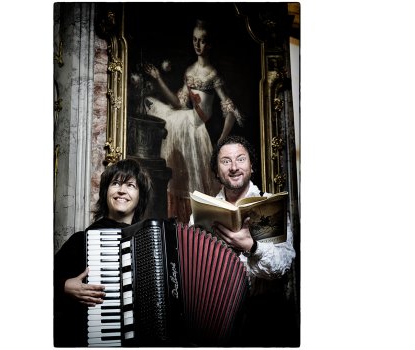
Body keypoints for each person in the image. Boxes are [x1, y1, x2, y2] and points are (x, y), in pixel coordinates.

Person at [192, 135, 297, 346]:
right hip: (216, 314)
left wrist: (252, 247)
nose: (233, 167)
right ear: (216, 170)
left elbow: (283, 265)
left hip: (265, 317)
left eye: (240, 159)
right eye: (225, 161)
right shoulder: (200, 213)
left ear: (251, 166)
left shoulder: (271, 206)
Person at [144, 19, 243, 224]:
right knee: (181, 182)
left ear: (211, 44)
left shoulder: (213, 74)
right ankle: (180, 231)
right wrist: (158, 78)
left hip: (197, 131)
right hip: (183, 127)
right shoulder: (189, 71)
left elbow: (230, 110)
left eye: (203, 41)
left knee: (198, 186)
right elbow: (178, 103)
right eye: (195, 40)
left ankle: (198, 234)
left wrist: (221, 141)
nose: (198, 45)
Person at [53, 159, 153, 347]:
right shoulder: (81, 241)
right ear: (105, 192)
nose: (121, 190)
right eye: (115, 183)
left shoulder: (149, 246)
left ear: (140, 197)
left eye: (130, 185)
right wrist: (64, 286)